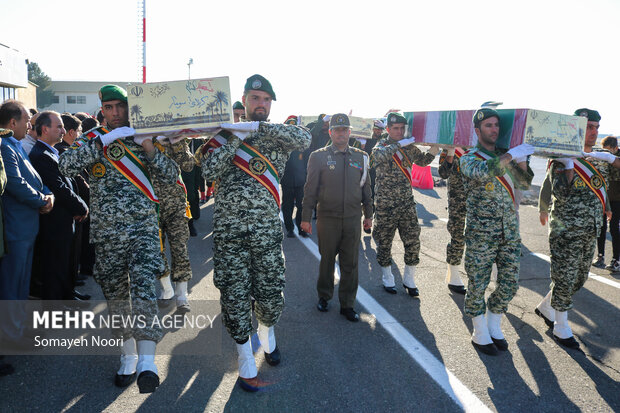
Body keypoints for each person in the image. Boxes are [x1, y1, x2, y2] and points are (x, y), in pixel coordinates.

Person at [59, 85, 180, 392]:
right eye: (109, 107)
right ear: (103, 110)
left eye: (120, 107)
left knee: (143, 291)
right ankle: (127, 356)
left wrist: (149, 147)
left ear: (130, 107)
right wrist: (102, 141)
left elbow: (171, 176)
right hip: (107, 233)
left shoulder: (146, 136)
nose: (115, 113)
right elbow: (65, 165)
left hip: (142, 229)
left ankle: (147, 362)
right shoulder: (92, 138)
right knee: (116, 298)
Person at [198, 74, 310, 392]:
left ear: (270, 104)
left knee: (270, 297)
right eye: (254, 98)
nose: (260, 104)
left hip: (266, 232)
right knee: (234, 299)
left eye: (266, 100)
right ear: (244, 101)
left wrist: (258, 129)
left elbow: (304, 139)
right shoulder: (223, 136)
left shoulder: (277, 136)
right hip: (230, 233)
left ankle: (268, 334)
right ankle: (246, 361)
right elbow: (207, 171)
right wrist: (235, 136)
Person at [536, 109, 620, 350]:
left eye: (596, 127)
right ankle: (561, 326)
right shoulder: (560, 157)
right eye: (588, 126)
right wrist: (570, 165)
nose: (593, 131)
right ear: (576, 128)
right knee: (565, 275)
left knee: (580, 276)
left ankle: (547, 307)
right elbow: (561, 194)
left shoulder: (600, 157)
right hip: (567, 228)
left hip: (592, 226)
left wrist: (610, 158)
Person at [460, 108, 534, 356]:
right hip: (482, 233)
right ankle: (479, 330)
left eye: (496, 126)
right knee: (477, 283)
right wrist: (512, 154)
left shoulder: (507, 157)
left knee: (510, 283)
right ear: (478, 130)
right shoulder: (470, 158)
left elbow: (524, 184)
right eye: (489, 125)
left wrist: (521, 158)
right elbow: (482, 171)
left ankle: (493, 322)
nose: (494, 130)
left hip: (509, 232)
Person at [301, 113, 373, 322]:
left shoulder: (361, 157)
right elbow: (310, 189)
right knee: (327, 260)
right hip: (328, 219)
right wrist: (306, 217)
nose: (341, 133)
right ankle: (324, 295)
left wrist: (369, 214)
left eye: (344, 130)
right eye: (337, 130)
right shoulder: (318, 156)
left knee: (351, 263)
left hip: (352, 218)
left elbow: (366, 187)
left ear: (350, 132)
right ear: (330, 132)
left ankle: (347, 304)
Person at [0, 100, 54, 351]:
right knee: (12, 284)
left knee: (21, 283)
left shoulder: (14, 144)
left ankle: (17, 331)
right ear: (13, 122)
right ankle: (10, 336)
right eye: (26, 120)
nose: (29, 125)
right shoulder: (4, 146)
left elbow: (34, 177)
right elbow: (16, 182)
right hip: (15, 227)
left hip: (26, 225)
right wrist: (40, 200)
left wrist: (46, 194)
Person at [371, 112, 439, 296]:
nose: (400, 131)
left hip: (407, 203)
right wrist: (399, 145)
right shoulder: (381, 146)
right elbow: (377, 157)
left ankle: (409, 279)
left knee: (412, 241)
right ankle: (387, 277)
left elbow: (423, 161)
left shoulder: (409, 147)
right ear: (388, 129)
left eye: (402, 128)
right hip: (386, 204)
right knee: (384, 243)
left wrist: (435, 148)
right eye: (395, 128)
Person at [29, 111, 88, 301]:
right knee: (54, 268)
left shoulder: (50, 152)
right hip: (54, 221)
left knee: (63, 264)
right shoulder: (40, 155)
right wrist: (80, 206)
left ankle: (66, 298)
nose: (63, 131)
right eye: (59, 126)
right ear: (45, 129)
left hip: (63, 218)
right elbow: (59, 187)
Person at [153, 136, 196, 312]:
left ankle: (181, 295)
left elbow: (188, 165)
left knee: (180, 249)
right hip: (150, 203)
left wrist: (176, 142)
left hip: (176, 204)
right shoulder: (141, 138)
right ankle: (167, 289)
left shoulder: (177, 138)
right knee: (156, 249)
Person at [438, 147, 467, 294]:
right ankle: (453, 276)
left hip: (480, 199)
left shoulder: (483, 146)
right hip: (458, 199)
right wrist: (450, 153)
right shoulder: (453, 146)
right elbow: (443, 173)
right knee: (458, 236)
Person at [592, 136, 620, 271]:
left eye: (609, 152)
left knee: (614, 229)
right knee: (600, 228)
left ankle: (616, 260)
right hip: (603, 198)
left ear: (615, 148)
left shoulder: (617, 160)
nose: (606, 155)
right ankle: (600, 256)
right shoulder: (602, 159)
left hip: (617, 200)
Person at [281, 116, 309, 238]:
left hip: (301, 181)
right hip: (286, 181)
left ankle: (301, 229)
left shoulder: (302, 146)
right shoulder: (281, 145)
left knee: (302, 206)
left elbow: (307, 162)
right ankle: (289, 228)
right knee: (287, 206)